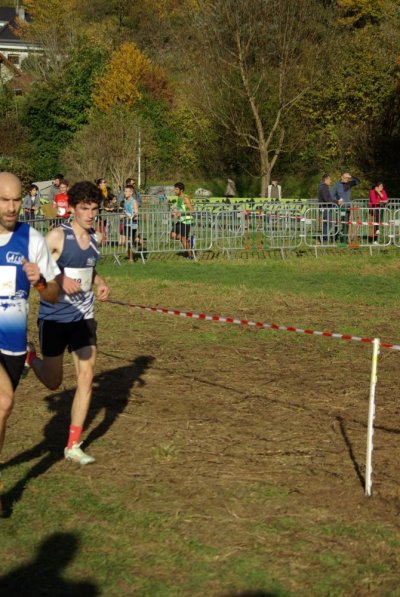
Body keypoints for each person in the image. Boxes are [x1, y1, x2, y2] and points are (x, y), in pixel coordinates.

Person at [26, 181, 110, 465]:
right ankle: (30, 357)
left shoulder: (97, 238)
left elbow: (89, 269)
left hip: (83, 317)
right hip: (54, 318)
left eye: (94, 209)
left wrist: (100, 282)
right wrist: (59, 278)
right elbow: (33, 268)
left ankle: (73, 445)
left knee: (86, 377)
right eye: (84, 208)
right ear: (72, 208)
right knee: (53, 382)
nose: (90, 214)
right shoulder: (57, 236)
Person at [0, 172, 59, 503]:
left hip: (12, 346)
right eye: (4, 200)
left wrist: (39, 282)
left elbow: (53, 295)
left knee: (2, 412)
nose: (11, 207)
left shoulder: (32, 239)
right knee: (3, 401)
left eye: (16, 200)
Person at [331, 172, 360, 243]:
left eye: (348, 178)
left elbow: (358, 181)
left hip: (347, 207)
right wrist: (337, 201)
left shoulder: (349, 184)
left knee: (346, 223)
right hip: (340, 208)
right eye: (345, 177)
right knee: (338, 223)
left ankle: (344, 239)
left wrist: (351, 176)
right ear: (341, 177)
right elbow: (332, 195)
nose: (347, 179)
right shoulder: (337, 185)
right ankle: (335, 238)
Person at [170, 182, 194, 259]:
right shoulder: (179, 197)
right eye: (175, 189)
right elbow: (180, 209)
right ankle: (187, 240)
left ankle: (190, 255)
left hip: (186, 221)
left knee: (183, 239)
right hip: (180, 221)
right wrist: (175, 212)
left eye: (177, 189)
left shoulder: (185, 198)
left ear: (181, 190)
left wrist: (181, 214)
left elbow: (192, 210)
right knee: (172, 235)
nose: (175, 191)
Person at [318, 174, 343, 243]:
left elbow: (327, 199)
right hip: (325, 208)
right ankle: (324, 238)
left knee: (327, 223)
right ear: (325, 179)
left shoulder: (323, 187)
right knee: (328, 223)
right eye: (330, 179)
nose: (331, 181)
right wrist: (337, 202)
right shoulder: (324, 187)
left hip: (325, 207)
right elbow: (327, 199)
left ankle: (324, 238)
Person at [121, 183, 141, 262]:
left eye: (126, 191)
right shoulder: (125, 201)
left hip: (133, 224)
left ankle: (131, 258)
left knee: (129, 241)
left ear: (131, 192)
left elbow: (136, 214)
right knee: (125, 242)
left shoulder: (134, 202)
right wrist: (122, 215)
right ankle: (130, 255)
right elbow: (126, 211)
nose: (125, 193)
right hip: (126, 223)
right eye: (125, 191)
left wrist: (127, 216)